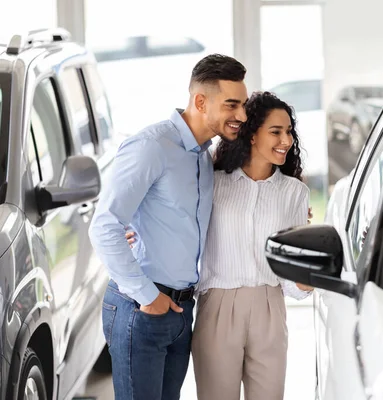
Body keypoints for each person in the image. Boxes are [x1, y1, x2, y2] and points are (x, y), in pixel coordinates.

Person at [127, 91, 313, 400]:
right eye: (276, 131)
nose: (287, 140)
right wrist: (132, 229)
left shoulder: (295, 193)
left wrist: (307, 279)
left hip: (270, 306)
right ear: (252, 135)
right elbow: (174, 218)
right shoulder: (213, 183)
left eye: (289, 132)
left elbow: (290, 278)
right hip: (218, 306)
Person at [88, 54, 249, 400]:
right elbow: (104, 226)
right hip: (142, 308)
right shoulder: (151, 146)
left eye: (244, 105)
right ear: (201, 101)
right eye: (232, 105)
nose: (242, 116)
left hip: (181, 310)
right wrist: (148, 296)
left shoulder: (204, 158)